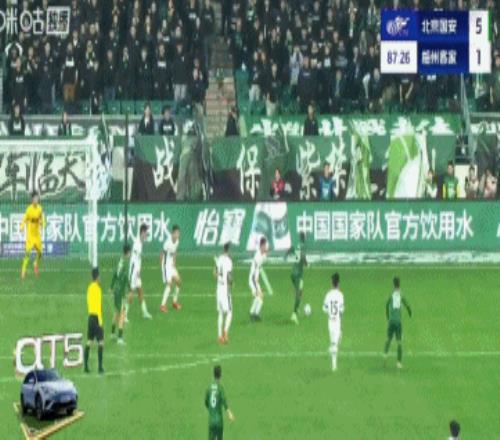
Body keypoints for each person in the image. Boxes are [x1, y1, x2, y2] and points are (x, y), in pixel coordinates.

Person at [383, 277, 412, 369]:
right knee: (399, 342)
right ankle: (398, 363)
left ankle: (385, 357)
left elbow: (387, 305)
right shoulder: (401, 295)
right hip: (398, 322)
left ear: (393, 284)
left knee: (388, 339)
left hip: (391, 321)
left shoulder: (391, 295)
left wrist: (388, 316)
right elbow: (407, 305)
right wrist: (409, 311)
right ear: (399, 284)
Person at [126, 224, 152, 321]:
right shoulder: (137, 243)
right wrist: (137, 272)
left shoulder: (140, 243)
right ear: (142, 232)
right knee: (131, 292)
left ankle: (144, 312)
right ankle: (124, 315)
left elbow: (138, 258)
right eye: (146, 232)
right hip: (134, 271)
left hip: (136, 271)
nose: (147, 234)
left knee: (140, 291)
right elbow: (135, 260)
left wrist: (139, 271)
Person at [205, 365, 235, 440]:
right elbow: (224, 402)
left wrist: (211, 410)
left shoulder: (209, 388)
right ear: (220, 375)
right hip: (219, 421)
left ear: (213, 374)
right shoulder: (220, 388)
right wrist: (229, 413)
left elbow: (206, 403)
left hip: (211, 421)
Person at [20, 191, 45, 279]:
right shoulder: (29, 209)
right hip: (30, 236)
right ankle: (23, 271)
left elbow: (42, 217)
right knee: (27, 254)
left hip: (37, 235)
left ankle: (35, 263)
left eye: (37, 198)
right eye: (34, 198)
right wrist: (22, 227)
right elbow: (24, 219)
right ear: (32, 200)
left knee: (40, 253)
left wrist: (43, 223)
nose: (36, 200)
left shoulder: (40, 209)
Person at [322, 273, 344, 371]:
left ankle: (334, 366)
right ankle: (331, 350)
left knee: (333, 342)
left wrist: (329, 312)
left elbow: (324, 308)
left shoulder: (328, 294)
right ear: (338, 283)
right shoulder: (340, 295)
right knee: (335, 343)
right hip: (337, 321)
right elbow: (341, 310)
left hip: (330, 322)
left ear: (331, 283)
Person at [84, 267, 104, 374]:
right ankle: (100, 367)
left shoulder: (89, 288)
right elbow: (99, 306)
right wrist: (100, 322)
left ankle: (85, 367)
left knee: (89, 342)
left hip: (90, 317)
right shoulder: (98, 289)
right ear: (97, 277)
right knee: (101, 343)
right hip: (96, 317)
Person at [110, 244, 131, 345]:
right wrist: (130, 289)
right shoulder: (125, 264)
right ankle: (120, 338)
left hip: (116, 291)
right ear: (128, 252)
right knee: (122, 314)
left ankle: (112, 333)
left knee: (116, 312)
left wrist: (111, 287)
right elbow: (126, 278)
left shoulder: (120, 261)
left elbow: (114, 274)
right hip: (120, 292)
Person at [160, 225, 182, 312]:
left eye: (178, 233)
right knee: (169, 284)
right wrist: (162, 266)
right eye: (176, 233)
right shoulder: (167, 243)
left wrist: (174, 261)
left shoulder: (177, 241)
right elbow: (162, 253)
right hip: (165, 266)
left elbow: (175, 251)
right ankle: (162, 305)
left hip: (171, 265)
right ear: (172, 233)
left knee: (179, 282)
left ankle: (174, 302)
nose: (177, 235)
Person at [214, 243, 233, 344]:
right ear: (228, 250)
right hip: (225, 290)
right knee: (229, 312)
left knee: (220, 313)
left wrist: (219, 279)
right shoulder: (229, 261)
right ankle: (225, 332)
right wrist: (231, 283)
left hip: (218, 289)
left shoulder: (219, 259)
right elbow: (229, 276)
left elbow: (214, 273)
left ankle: (219, 336)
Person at [287, 232, 307, 325]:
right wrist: (306, 263)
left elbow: (291, 249)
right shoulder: (303, 246)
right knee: (298, 294)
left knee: (300, 291)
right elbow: (302, 256)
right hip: (297, 274)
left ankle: (297, 308)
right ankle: (294, 315)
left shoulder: (297, 245)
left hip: (295, 273)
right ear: (304, 238)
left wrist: (286, 255)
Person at [249, 237, 267, 322]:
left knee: (260, 298)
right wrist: (255, 280)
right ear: (261, 246)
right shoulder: (257, 256)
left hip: (255, 279)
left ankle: (254, 314)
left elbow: (262, 262)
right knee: (259, 296)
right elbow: (255, 268)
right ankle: (253, 314)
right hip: (253, 280)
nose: (265, 247)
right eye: (264, 246)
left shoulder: (262, 254)